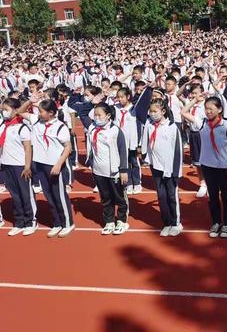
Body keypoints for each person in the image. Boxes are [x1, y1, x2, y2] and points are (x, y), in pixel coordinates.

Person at [182, 96, 227, 238]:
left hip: (223, 166)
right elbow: (183, 112)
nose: (208, 112)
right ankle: (216, 222)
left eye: (211, 109)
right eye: (206, 109)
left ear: (219, 109)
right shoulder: (202, 123)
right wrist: (195, 100)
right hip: (207, 165)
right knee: (212, 196)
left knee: (226, 196)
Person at [20, 99, 75, 238]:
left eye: (42, 111)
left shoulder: (60, 127)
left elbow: (68, 147)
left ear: (51, 113)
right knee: (48, 195)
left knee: (59, 195)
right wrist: (31, 101)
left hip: (54, 165)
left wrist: (58, 164)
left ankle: (67, 223)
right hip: (39, 164)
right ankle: (57, 222)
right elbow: (19, 112)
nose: (39, 113)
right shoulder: (36, 121)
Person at [141, 98, 183, 237]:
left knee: (171, 196)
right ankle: (166, 223)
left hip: (170, 168)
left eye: (155, 111)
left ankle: (176, 223)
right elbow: (145, 141)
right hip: (156, 166)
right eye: (150, 111)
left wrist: (176, 171)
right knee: (161, 196)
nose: (152, 114)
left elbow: (178, 151)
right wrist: (145, 156)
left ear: (163, 111)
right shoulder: (149, 124)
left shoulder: (172, 127)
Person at [86, 103, 130, 235]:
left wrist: (123, 170)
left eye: (100, 115)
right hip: (99, 171)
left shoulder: (115, 131)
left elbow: (123, 151)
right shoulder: (92, 128)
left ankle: (122, 221)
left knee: (119, 197)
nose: (97, 117)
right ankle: (109, 221)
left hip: (114, 171)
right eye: (95, 115)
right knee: (105, 197)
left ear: (108, 115)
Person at [0, 97, 37, 236]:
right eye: (2, 109)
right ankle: (19, 222)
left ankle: (31, 221)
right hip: (6, 165)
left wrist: (27, 166)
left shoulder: (22, 127)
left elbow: (28, 148)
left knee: (26, 194)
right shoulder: (3, 125)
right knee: (14, 195)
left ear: (15, 111)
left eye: (6, 110)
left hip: (20, 166)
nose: (3, 112)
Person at [114, 87, 142, 195]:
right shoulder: (116, 109)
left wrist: (139, 143)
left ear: (128, 97)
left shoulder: (134, 109)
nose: (120, 99)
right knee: (125, 163)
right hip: (121, 141)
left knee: (134, 161)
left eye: (122, 97)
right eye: (118, 97)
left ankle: (137, 183)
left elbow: (139, 126)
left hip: (132, 141)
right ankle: (129, 183)